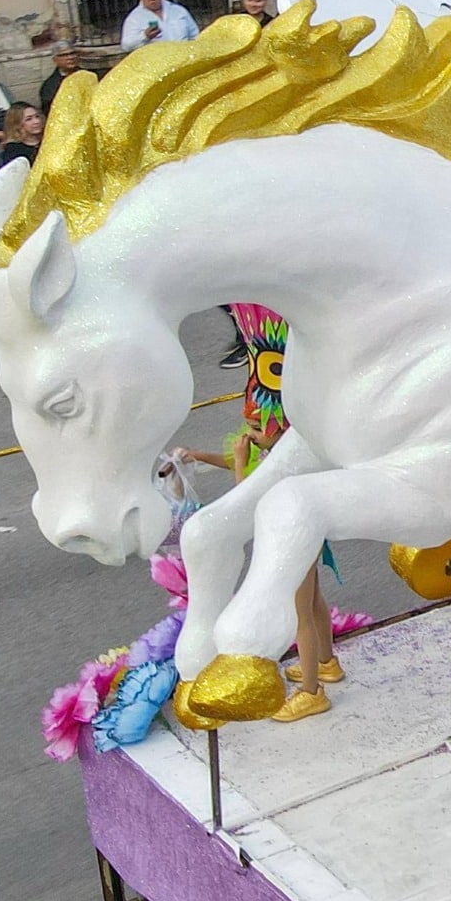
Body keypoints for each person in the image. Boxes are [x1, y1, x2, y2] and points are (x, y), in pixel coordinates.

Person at [172, 304, 342, 722]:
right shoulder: (257, 446)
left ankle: (311, 691)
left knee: (299, 606)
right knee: (314, 597)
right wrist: (202, 456)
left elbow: (246, 495)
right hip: (296, 518)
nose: (249, 419)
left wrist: (242, 460)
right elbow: (240, 465)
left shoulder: (282, 458)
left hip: (292, 525)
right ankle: (324, 661)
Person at [120, 0, 199, 50]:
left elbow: (195, 36)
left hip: (183, 58)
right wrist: (145, 36)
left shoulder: (178, 11)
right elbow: (126, 46)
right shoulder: (134, 18)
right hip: (156, 61)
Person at [0, 103, 43, 168]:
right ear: (17, 123)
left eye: (37, 116)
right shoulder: (13, 150)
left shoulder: (48, 141)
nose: (36, 121)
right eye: (28, 119)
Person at [38, 44, 82, 112]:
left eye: (72, 53)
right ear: (55, 60)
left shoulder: (91, 75)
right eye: (64, 55)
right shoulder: (50, 86)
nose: (70, 57)